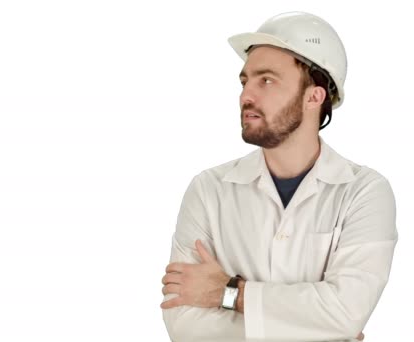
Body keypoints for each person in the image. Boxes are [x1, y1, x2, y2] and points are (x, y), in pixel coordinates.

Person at [160, 11, 398, 342]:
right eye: (245, 81)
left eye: (266, 80)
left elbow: (345, 312)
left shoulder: (365, 192)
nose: (246, 96)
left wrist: (228, 293)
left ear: (315, 96)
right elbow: (185, 325)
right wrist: (318, 327)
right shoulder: (207, 190)